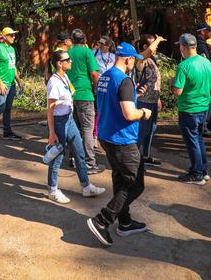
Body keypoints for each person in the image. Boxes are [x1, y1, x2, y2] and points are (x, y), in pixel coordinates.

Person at [87, 43, 152, 246]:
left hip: (107, 136)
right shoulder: (124, 80)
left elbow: (112, 101)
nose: (135, 63)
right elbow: (130, 114)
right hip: (123, 139)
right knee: (135, 184)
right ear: (128, 59)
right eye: (134, 60)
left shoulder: (105, 76)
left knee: (120, 180)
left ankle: (124, 222)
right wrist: (144, 112)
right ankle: (102, 220)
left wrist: (134, 96)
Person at [46, 49, 106, 204]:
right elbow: (50, 110)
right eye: (67, 60)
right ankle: (52, 190)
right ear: (60, 64)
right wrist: (52, 133)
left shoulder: (64, 77)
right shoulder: (54, 82)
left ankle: (86, 186)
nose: (70, 61)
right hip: (59, 121)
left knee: (79, 152)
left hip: (69, 119)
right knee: (58, 156)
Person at [173, 34, 211, 185]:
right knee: (198, 139)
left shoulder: (184, 66)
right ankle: (203, 170)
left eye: (180, 47)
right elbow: (210, 81)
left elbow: (178, 91)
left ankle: (197, 174)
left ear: (183, 47)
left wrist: (172, 83)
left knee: (192, 141)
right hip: (203, 107)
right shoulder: (206, 62)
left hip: (189, 108)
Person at [68, 28, 105, 174]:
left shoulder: (68, 53)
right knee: (87, 129)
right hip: (85, 94)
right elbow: (94, 74)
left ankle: (73, 158)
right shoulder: (87, 52)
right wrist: (96, 89)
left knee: (74, 128)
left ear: (72, 40)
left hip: (70, 95)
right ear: (84, 40)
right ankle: (90, 162)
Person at [135, 36, 162, 168]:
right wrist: (158, 39)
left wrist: (158, 99)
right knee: (142, 131)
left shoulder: (152, 60)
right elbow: (149, 51)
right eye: (153, 45)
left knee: (151, 130)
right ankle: (135, 160)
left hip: (153, 101)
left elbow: (155, 81)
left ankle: (145, 156)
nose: (156, 47)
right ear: (145, 47)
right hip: (143, 101)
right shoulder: (140, 59)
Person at [195, 22, 211, 139]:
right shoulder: (201, 46)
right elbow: (205, 63)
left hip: (206, 79)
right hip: (205, 79)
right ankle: (204, 126)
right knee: (209, 102)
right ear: (202, 32)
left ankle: (210, 123)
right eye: (208, 30)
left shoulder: (203, 45)